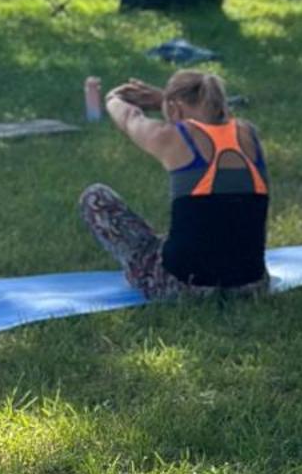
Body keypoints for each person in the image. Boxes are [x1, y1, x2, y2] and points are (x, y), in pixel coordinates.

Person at [78, 69, 270, 300]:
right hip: (251, 284)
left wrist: (113, 98)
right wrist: (163, 99)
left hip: (183, 286)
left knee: (95, 197)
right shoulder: (248, 134)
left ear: (174, 108)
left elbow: (129, 119)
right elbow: (214, 119)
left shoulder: (172, 136)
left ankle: (144, 272)